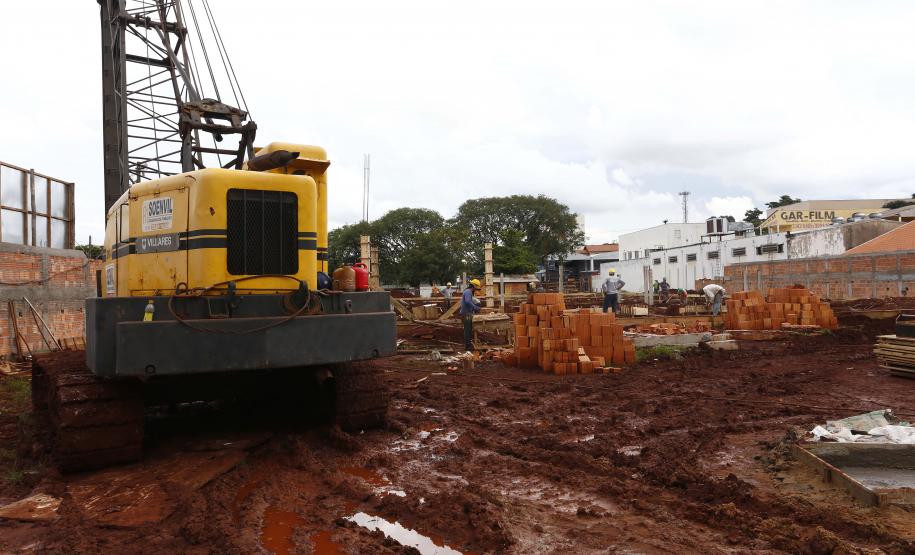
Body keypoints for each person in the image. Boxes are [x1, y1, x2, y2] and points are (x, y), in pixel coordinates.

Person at [460, 279, 482, 351]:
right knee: (468, 330)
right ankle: (468, 346)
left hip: (468, 313)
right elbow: (468, 302)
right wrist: (476, 307)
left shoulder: (469, 292)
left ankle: (468, 344)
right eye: (476, 288)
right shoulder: (468, 292)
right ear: (474, 286)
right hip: (466, 314)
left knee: (469, 330)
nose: (476, 290)